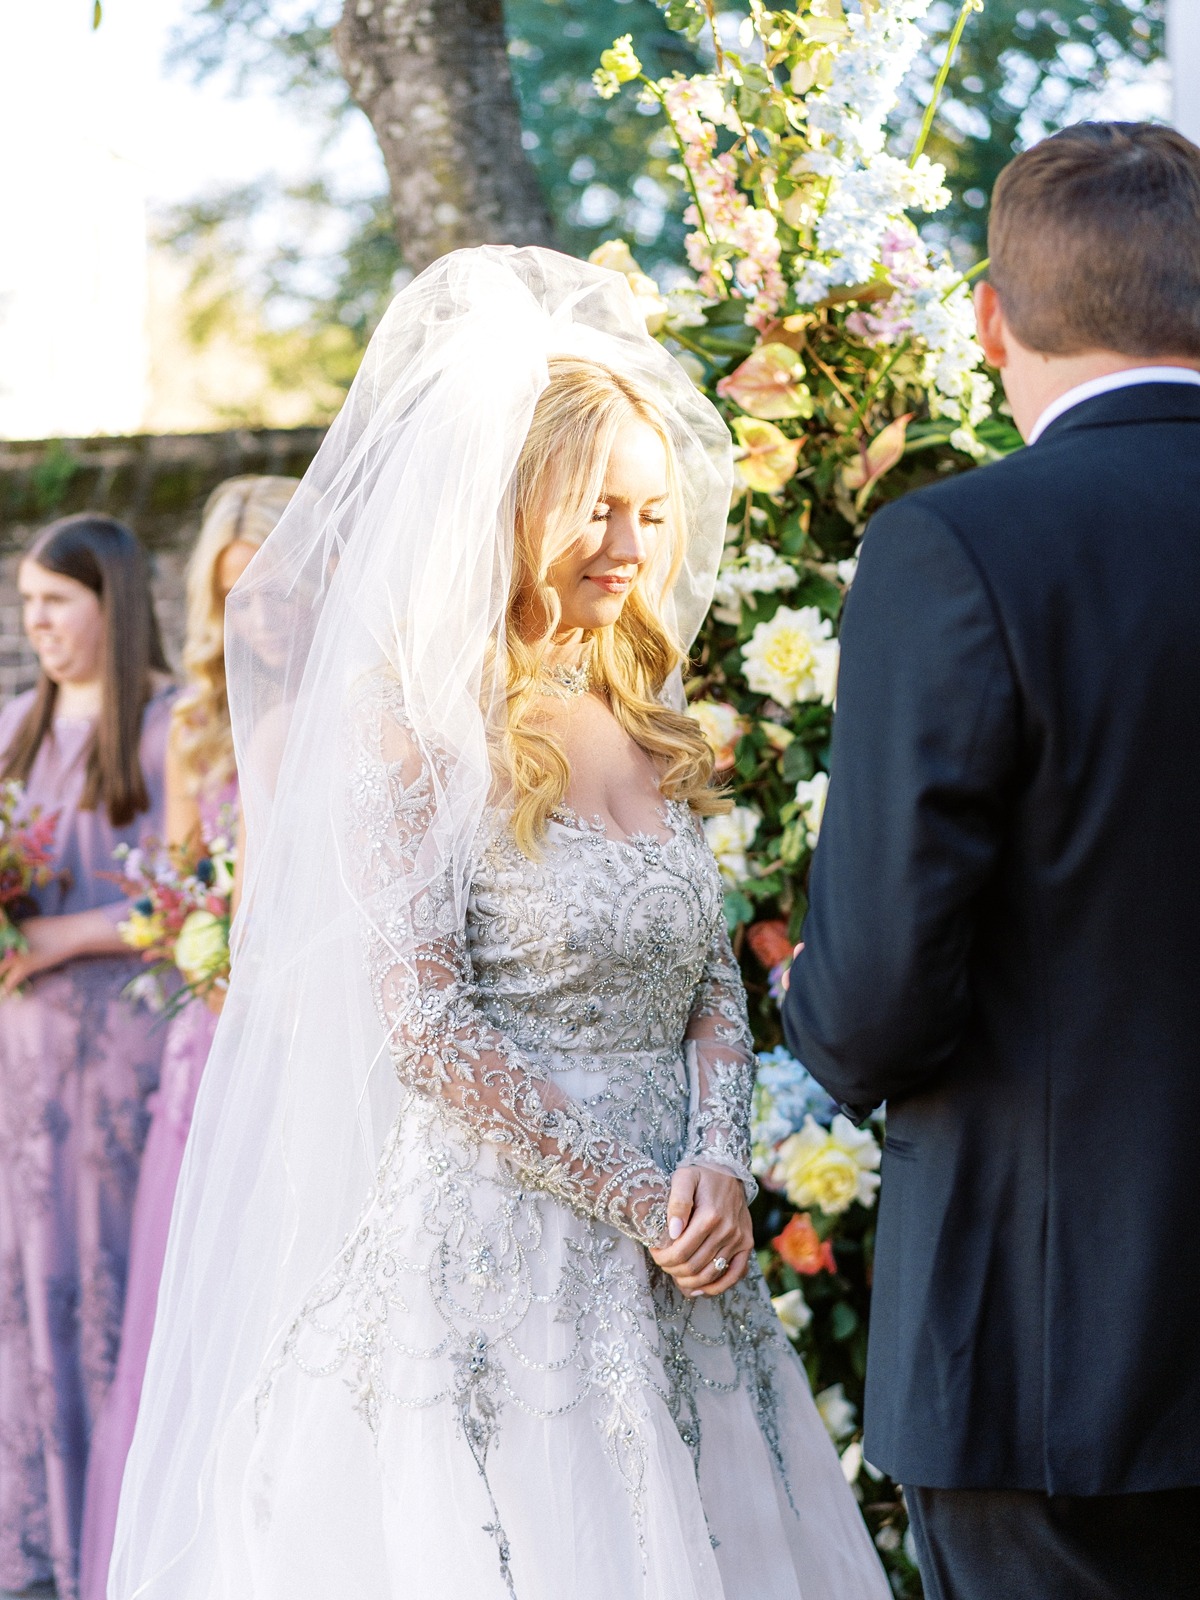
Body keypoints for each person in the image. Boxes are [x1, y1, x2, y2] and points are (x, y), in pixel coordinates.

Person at [110, 248, 889, 1600]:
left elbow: (709, 977)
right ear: (516, 505)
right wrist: (635, 1194)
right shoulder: (410, 726)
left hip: (686, 1258)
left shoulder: (645, 716)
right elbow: (425, 1029)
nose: (635, 549)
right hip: (501, 1267)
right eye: (599, 511)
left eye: (652, 514)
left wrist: (714, 1165)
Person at [782, 121, 1200, 1599]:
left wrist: (799, 1013)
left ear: (990, 317)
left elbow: (880, 994)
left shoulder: (957, 549)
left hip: (1051, 1347)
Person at [78, 476, 297, 1600]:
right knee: (193, 1296)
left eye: (271, 588)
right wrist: (201, 943)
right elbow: (175, 887)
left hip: (311, 1031)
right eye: (235, 597)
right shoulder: (200, 727)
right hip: (208, 1042)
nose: (258, 615)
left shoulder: (363, 706)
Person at [0, 514, 175, 1600]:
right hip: (23, 1064)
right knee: (30, 1286)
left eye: (55, 604)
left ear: (110, 602)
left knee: (114, 1285)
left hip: (128, 1052)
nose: (37, 626)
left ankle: (125, 1551)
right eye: (25, 608)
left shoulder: (173, 723)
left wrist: (67, 931)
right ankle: (42, 1556)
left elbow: (214, 891)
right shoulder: (14, 723)